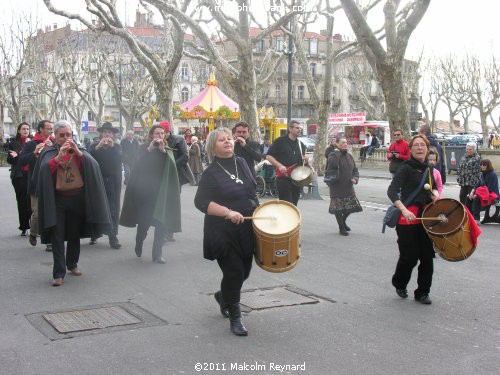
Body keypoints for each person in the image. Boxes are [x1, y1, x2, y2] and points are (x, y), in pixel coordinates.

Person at [194, 127, 258, 336]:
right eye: (222, 140)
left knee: (245, 272)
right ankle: (235, 316)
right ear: (213, 146)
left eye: (229, 139)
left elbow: (251, 190)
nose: (228, 142)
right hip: (222, 229)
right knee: (234, 272)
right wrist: (228, 212)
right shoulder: (210, 172)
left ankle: (224, 296)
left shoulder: (241, 163)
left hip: (247, 226)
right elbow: (201, 202)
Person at [32, 120, 111, 286]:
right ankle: (58, 273)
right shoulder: (49, 151)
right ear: (56, 136)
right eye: (62, 135)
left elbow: (92, 166)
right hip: (57, 200)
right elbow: (44, 171)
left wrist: (78, 154)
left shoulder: (79, 149)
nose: (66, 138)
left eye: (69, 134)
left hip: (77, 199)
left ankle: (72, 264)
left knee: (74, 234)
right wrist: (58, 158)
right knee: (57, 235)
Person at [387, 135, 438, 305]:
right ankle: (399, 283)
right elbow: (392, 191)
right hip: (407, 219)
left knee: (427, 257)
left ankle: (422, 292)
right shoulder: (406, 168)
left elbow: (434, 189)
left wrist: (435, 194)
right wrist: (404, 209)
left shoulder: (429, 169)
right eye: (416, 145)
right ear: (411, 149)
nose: (419, 148)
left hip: (425, 218)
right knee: (409, 257)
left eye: (422, 145)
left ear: (427, 147)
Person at [120, 125, 181, 264]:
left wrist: (163, 151)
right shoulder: (143, 149)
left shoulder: (168, 150)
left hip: (162, 192)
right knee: (144, 223)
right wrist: (149, 150)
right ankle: (139, 242)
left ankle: (157, 254)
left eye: (162, 133)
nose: (159, 135)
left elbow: (173, 168)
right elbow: (136, 165)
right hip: (146, 192)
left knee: (161, 223)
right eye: (156, 133)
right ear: (151, 135)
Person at [18, 119, 55, 251]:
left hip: (52, 182)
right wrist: (34, 153)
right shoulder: (31, 144)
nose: (51, 131)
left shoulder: (55, 142)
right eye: (49, 128)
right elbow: (21, 161)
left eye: (52, 129)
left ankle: (49, 241)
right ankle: (33, 233)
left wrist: (53, 148)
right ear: (40, 129)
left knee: (51, 212)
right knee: (37, 214)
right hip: (36, 182)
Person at [89, 122, 123, 249]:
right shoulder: (93, 145)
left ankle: (113, 237)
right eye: (105, 132)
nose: (107, 134)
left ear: (113, 135)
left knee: (113, 209)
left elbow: (121, 160)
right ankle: (94, 233)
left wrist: (112, 147)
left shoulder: (117, 147)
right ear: (101, 134)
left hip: (112, 181)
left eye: (110, 132)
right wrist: (98, 147)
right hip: (97, 180)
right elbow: (88, 159)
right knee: (96, 207)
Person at [160, 120, 192, 242]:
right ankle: (161, 231)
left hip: (176, 176)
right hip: (160, 176)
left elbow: (185, 157)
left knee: (172, 203)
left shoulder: (179, 140)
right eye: (159, 133)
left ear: (168, 131)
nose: (161, 135)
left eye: (164, 132)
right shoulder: (157, 140)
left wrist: (170, 165)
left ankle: (170, 231)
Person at [266, 120, 309, 206]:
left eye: (300, 128)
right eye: (297, 128)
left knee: (294, 204)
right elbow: (268, 156)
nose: (299, 130)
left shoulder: (301, 144)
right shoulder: (280, 141)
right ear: (290, 129)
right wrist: (280, 166)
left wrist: (306, 160)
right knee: (287, 204)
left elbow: (304, 163)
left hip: (297, 178)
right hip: (283, 178)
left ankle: (292, 219)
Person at [325, 138, 362, 235]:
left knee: (350, 208)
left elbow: (355, 170)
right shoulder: (333, 155)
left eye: (346, 142)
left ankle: (343, 222)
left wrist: (355, 178)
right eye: (343, 142)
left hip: (348, 186)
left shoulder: (349, 156)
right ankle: (341, 227)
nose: (345, 144)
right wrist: (337, 152)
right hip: (336, 186)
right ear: (337, 144)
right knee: (338, 209)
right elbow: (332, 164)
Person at [7, 123, 32, 236]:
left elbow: (34, 156)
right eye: (23, 129)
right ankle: (24, 226)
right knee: (22, 201)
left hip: (31, 174)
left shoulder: (32, 143)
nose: (26, 130)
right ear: (18, 131)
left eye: (27, 129)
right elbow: (10, 160)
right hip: (19, 175)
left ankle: (34, 224)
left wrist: (19, 155)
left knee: (32, 201)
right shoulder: (13, 143)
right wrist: (16, 156)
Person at [457, 142, 481, 210]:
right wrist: (459, 176)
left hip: (472, 183)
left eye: (470, 149)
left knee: (470, 200)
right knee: (462, 198)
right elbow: (460, 167)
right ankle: (463, 212)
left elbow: (479, 171)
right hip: (464, 183)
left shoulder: (477, 158)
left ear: (474, 150)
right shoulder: (464, 157)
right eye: (467, 149)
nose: (468, 151)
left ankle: (471, 214)